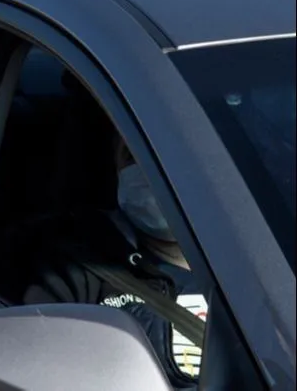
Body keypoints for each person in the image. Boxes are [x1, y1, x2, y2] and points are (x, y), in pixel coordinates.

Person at [21, 129, 207, 389]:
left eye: (170, 155)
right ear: (115, 168)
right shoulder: (77, 264)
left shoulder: (256, 262)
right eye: (133, 156)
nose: (153, 170)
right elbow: (35, 364)